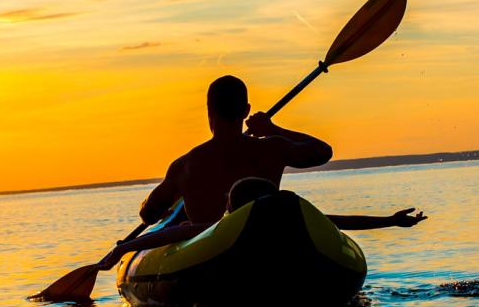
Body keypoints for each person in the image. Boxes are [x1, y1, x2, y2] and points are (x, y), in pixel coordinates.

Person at [96, 177, 426, 269]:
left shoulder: (221, 229)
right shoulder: (290, 223)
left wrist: (122, 250)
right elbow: (340, 221)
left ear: (232, 209)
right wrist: (390, 221)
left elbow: (160, 237)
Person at [138, 75, 334, 227]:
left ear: (209, 111)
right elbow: (323, 151)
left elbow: (148, 214)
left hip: (208, 254)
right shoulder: (272, 148)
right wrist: (272, 129)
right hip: (262, 238)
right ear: (246, 111)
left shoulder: (185, 166)